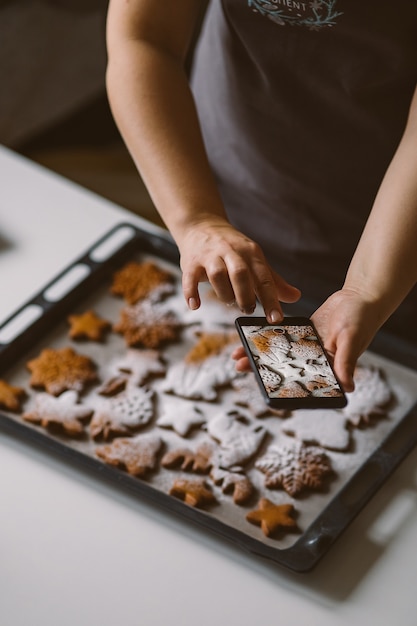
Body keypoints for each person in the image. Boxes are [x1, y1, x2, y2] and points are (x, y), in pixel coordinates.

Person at [105, 0, 417, 392]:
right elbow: (144, 38)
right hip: (227, 171)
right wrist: (197, 218)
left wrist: (368, 288)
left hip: (395, 222)